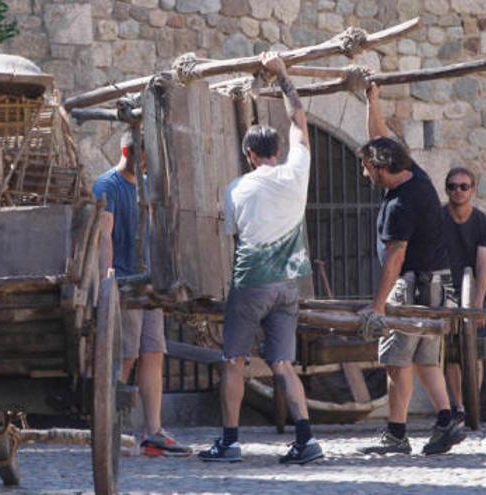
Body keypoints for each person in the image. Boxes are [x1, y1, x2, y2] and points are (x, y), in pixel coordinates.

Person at [198, 52, 323, 465]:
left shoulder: (237, 189)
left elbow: (233, 236)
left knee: (233, 359)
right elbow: (300, 122)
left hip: (252, 280)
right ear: (277, 149)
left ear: (250, 154)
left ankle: (230, 441)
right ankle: (306, 440)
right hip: (289, 284)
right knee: (283, 362)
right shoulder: (296, 172)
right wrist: (284, 77)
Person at [356, 83, 465, 456]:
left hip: (411, 286)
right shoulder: (415, 176)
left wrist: (379, 305)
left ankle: (396, 435)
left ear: (383, 167)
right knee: (423, 359)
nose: (364, 172)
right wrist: (371, 101)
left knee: (396, 361)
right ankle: (448, 419)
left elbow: (395, 258)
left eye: (368, 167)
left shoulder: (400, 205)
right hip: (436, 285)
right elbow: (380, 137)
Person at [94, 128, 191, 457]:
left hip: (150, 285)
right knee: (125, 357)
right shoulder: (107, 185)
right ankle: (113, 429)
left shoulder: (150, 186)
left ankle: (153, 431)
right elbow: (104, 236)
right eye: (143, 157)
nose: (147, 163)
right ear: (127, 153)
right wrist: (110, 282)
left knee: (153, 354)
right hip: (124, 284)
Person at [441, 166, 486, 426]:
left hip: (474, 289)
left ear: (473, 190)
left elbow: (483, 265)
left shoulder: (483, 223)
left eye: (464, 186)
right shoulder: (438, 219)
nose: (458, 191)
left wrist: (477, 306)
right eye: (453, 186)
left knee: (474, 352)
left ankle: (472, 403)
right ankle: (458, 407)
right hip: (445, 289)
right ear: (447, 189)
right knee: (451, 352)